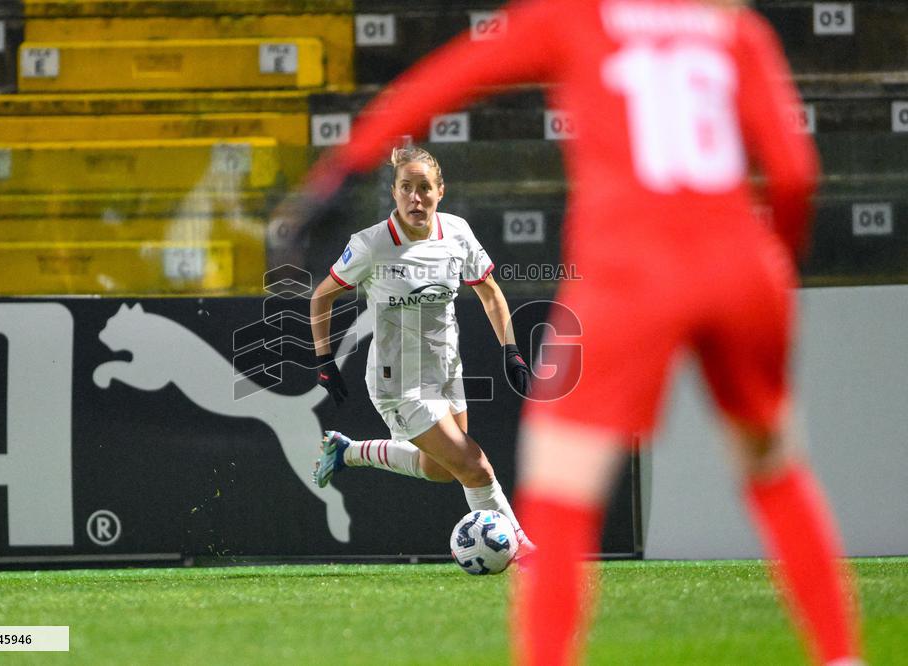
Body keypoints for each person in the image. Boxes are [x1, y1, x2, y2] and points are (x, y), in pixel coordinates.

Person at [275, 1, 864, 664]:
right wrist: (769, 263)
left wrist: (341, 170)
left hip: (629, 271)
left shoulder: (577, 17)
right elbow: (793, 173)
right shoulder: (735, 27)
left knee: (559, 490)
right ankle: (842, 655)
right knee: (776, 470)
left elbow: (447, 79)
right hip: (742, 267)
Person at [309, 145, 535, 557]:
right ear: (394, 193)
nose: (416, 198)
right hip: (398, 384)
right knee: (475, 466)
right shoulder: (372, 245)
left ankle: (349, 451)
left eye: (425, 188)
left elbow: (490, 293)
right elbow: (321, 298)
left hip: (447, 371)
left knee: (440, 470)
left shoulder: (457, 233)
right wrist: (325, 359)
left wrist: (511, 350)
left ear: (440, 191)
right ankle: (521, 551)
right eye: (407, 188)